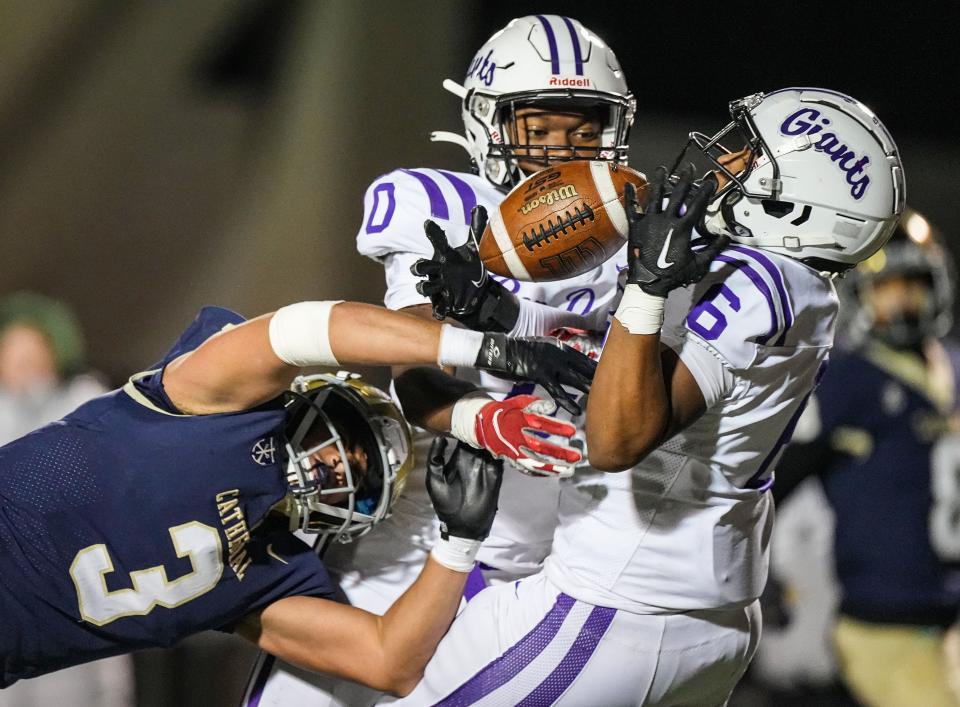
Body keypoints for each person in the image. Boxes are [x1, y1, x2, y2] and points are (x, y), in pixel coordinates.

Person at [401, 87, 906, 705]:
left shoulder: (761, 282)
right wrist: (501, 312)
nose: (726, 159)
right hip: (690, 609)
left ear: (793, 208)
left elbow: (619, 438)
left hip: (623, 606)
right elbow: (622, 373)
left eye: (751, 155)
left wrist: (645, 288)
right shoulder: (790, 285)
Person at [241, 15, 634, 705]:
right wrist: (483, 417)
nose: (562, 153)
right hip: (416, 538)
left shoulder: (636, 244)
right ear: (486, 122)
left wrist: (525, 319)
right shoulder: (445, 207)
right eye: (539, 130)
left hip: (544, 566)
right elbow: (413, 356)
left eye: (583, 130)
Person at [0, 298, 596, 694]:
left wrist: (457, 543)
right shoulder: (207, 407)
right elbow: (300, 329)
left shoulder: (269, 570)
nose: (340, 468)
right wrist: (480, 351)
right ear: (310, 402)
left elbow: (387, 660)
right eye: (352, 445)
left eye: (361, 475)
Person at [769, 226, 960, 707]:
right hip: (885, 619)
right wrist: (750, 569)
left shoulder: (950, 367)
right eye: (887, 291)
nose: (901, 305)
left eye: (912, 288)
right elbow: (772, 479)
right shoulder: (849, 379)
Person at [0, 292, 135, 707]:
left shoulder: (86, 405)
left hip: (72, 591)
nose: (21, 362)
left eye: (32, 350)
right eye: (11, 349)